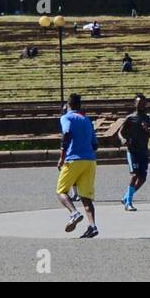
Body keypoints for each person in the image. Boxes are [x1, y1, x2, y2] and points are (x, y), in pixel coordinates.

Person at [55, 93, 99, 238]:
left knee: (61, 191)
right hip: (90, 161)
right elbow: (95, 144)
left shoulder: (66, 117)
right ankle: (92, 226)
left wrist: (62, 157)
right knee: (86, 197)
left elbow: (67, 134)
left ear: (68, 105)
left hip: (73, 159)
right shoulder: (87, 120)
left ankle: (74, 213)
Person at [119, 94, 150, 211]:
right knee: (134, 175)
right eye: (139, 103)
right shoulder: (130, 118)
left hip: (143, 151)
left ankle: (126, 197)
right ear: (135, 104)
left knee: (142, 178)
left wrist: (147, 130)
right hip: (132, 151)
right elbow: (120, 132)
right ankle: (128, 202)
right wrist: (122, 139)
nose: (141, 105)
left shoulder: (149, 118)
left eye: (143, 103)